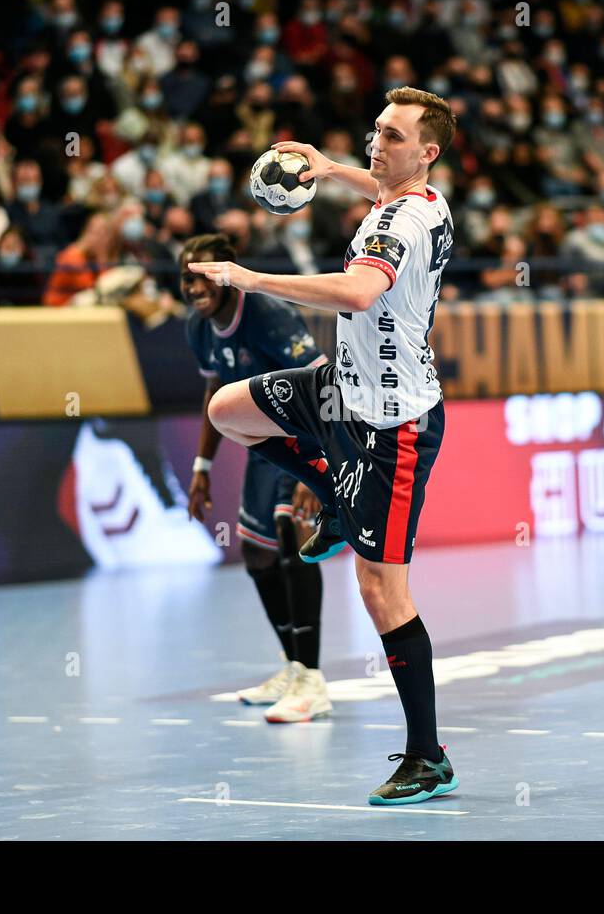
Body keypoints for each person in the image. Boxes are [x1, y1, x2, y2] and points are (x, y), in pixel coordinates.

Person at [187, 87, 458, 805]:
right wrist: (329, 166)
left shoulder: (399, 224)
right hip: (339, 386)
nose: (378, 144)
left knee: (381, 592)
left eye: (392, 137)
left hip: (392, 424)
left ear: (426, 152)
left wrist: (252, 278)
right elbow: (381, 185)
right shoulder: (421, 198)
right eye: (376, 130)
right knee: (231, 410)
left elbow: (359, 293)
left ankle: (427, 756)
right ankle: (337, 499)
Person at [177, 232, 332, 723]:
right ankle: (292, 665)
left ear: (227, 276)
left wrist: (320, 464)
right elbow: (213, 394)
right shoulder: (197, 329)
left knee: (293, 538)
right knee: (258, 555)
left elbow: (324, 383)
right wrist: (202, 467)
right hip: (263, 448)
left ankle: (312, 679)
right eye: (186, 277)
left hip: (305, 438)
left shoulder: (267, 315)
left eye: (204, 276)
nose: (195, 286)